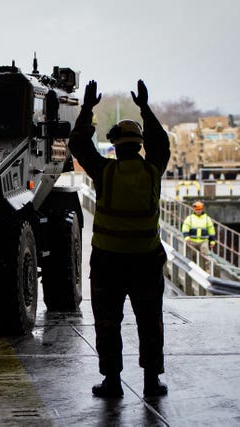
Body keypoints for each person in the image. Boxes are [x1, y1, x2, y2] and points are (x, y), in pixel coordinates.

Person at [68, 79, 170, 398]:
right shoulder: (153, 170)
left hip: (108, 263)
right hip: (146, 261)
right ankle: (151, 382)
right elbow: (162, 144)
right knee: (150, 322)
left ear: (114, 145)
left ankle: (113, 383)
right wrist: (145, 109)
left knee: (108, 324)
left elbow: (78, 145)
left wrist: (86, 109)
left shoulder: (104, 172)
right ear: (140, 145)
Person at [181, 201, 216, 272]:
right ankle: (192, 269)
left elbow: (211, 230)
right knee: (192, 255)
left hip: (203, 241)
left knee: (204, 252)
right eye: (196, 209)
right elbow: (185, 228)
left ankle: (206, 270)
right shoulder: (190, 218)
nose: (198, 211)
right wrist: (186, 237)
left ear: (202, 209)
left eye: (199, 209)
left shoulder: (207, 218)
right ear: (194, 210)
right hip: (192, 241)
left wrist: (212, 241)